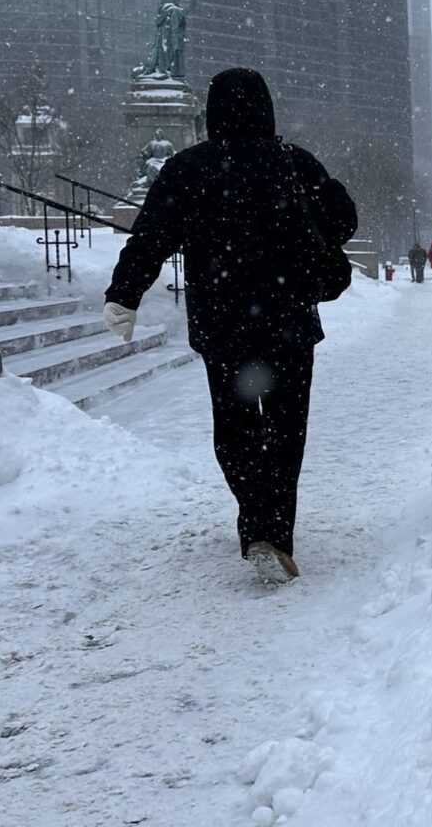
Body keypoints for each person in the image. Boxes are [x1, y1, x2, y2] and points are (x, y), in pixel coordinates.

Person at [103, 68, 358, 583]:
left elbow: (149, 237)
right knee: (286, 430)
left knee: (236, 428)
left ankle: (255, 522)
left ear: (211, 112)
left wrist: (123, 295)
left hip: (223, 324)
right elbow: (343, 222)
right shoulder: (294, 161)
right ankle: (276, 532)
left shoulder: (187, 168)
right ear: (266, 108)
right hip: (288, 318)